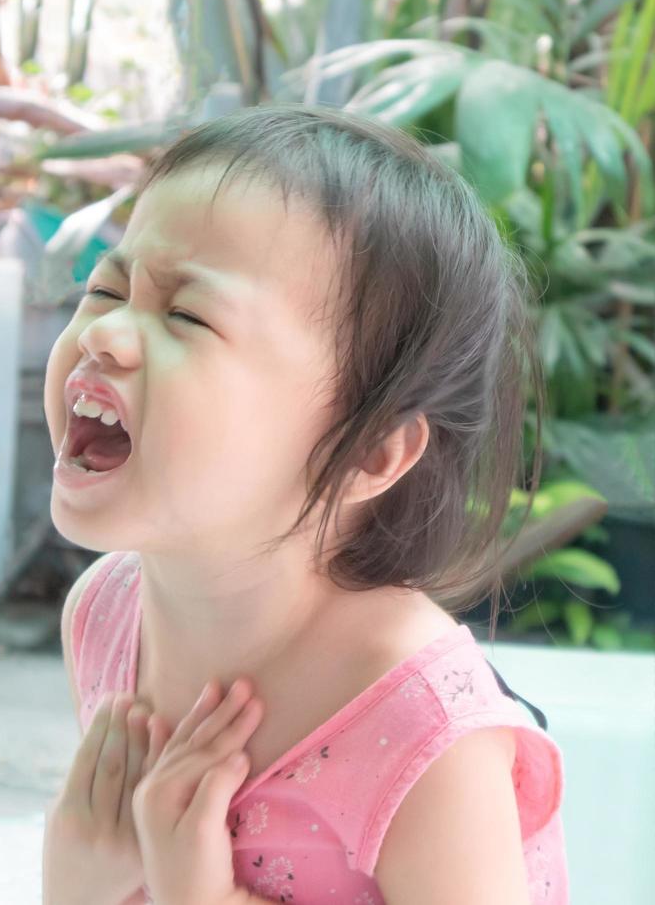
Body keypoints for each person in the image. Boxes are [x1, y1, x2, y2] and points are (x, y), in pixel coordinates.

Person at [43, 103, 569, 904]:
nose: (105, 335)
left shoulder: (427, 743)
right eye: (108, 287)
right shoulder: (105, 615)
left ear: (369, 452)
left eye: (185, 314)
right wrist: (78, 884)